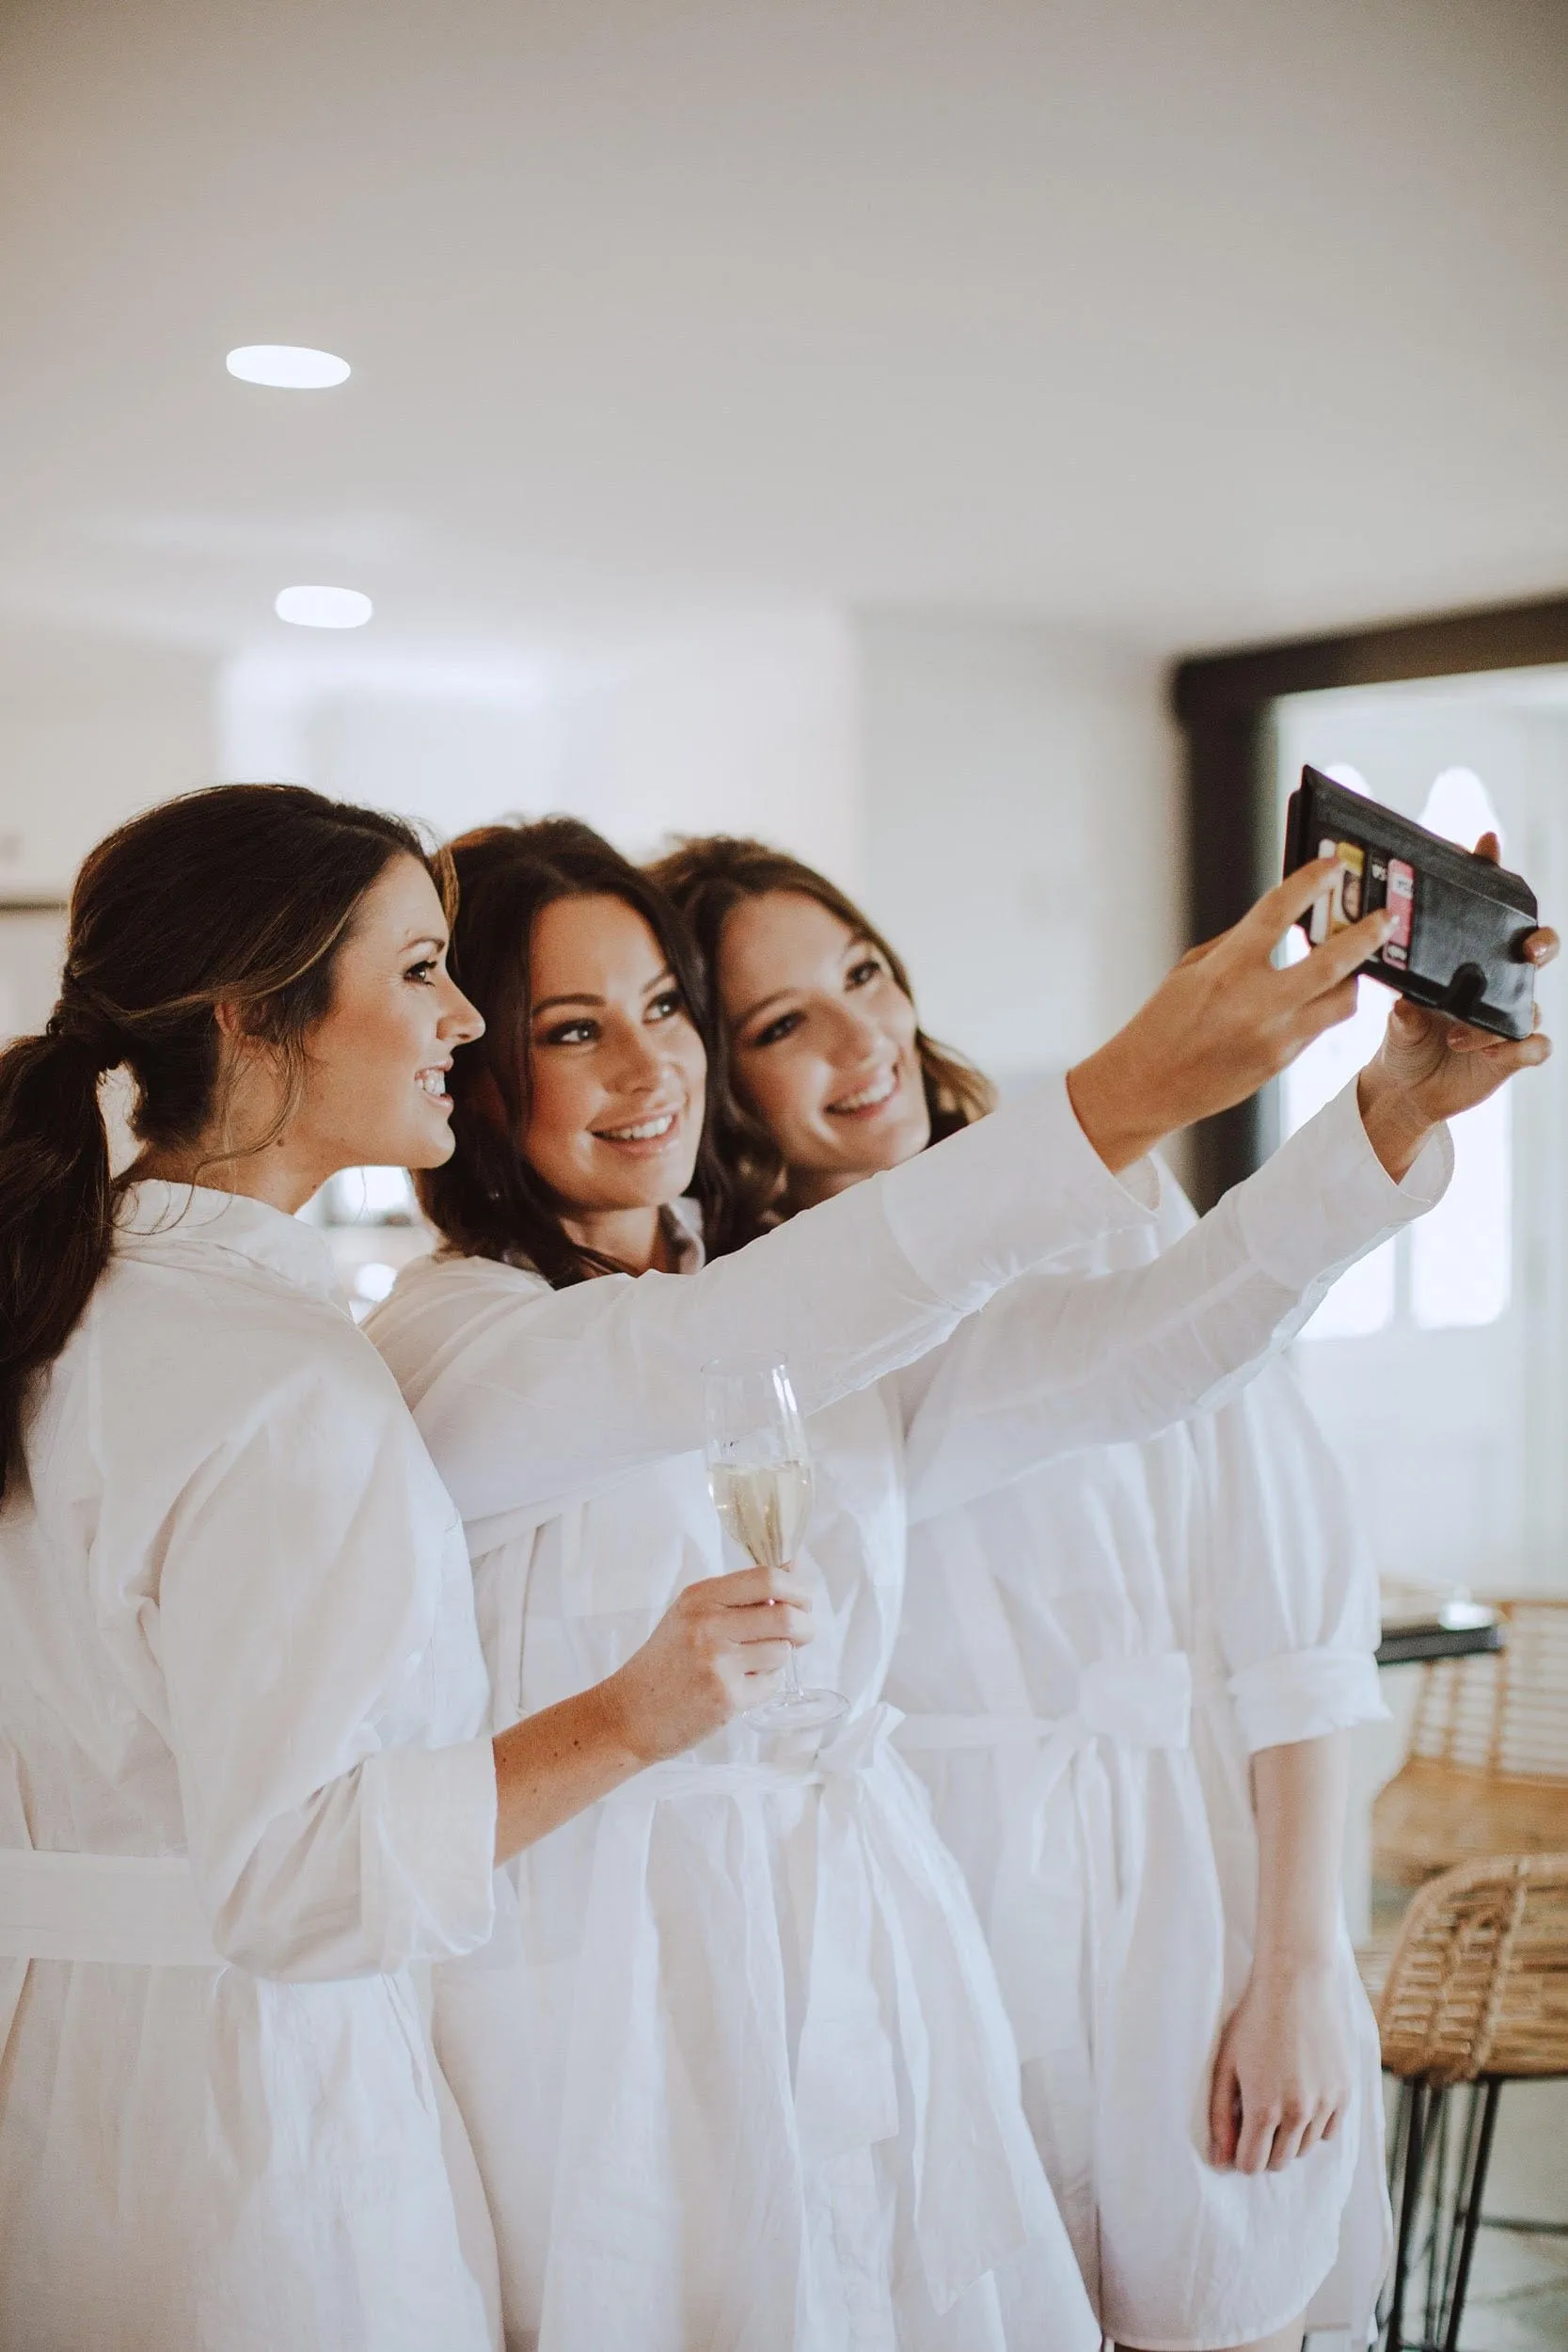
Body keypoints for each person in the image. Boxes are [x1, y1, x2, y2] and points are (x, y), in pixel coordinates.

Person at [369, 814, 1467, 2352]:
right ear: (479, 1074)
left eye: (662, 1010)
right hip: (609, 2007)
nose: (645, 1066)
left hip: (869, 1969)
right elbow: (686, 1364)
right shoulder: (464, 1343)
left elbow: (1127, 1358)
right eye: (572, 1030)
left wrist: (1382, 1122)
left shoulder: (775, 1338)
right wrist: (1131, 1086)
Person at [653, 831, 1555, 2352]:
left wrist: (1294, 1965)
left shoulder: (1108, 1215)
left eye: (860, 975)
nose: (857, 1037)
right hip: (925, 1910)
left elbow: (1290, 1620)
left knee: (1217, 2295)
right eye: (778, 1023)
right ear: (721, 1083)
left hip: (1181, 1888)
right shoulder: (754, 1333)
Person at [0, 786, 804, 2352]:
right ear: (258, 1015)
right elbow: (296, 1878)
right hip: (256, 2144)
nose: (462, 1019)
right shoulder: (277, 1377)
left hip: (56, 2095)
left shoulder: (63, 1314)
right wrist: (631, 1715)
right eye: (423, 970)